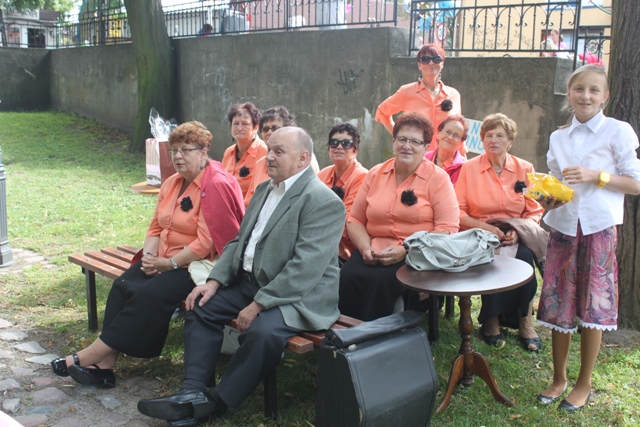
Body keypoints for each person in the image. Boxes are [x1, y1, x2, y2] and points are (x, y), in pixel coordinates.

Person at [137, 127, 345, 425]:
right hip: (251, 283)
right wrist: (213, 282)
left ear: (303, 159)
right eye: (269, 150)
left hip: (300, 296)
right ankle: (193, 391)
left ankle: (216, 403)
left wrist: (258, 305)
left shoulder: (322, 201)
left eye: (279, 152)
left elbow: (304, 268)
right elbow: (238, 242)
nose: (269, 157)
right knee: (201, 306)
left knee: (263, 333)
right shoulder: (264, 190)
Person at [51, 122, 244, 387]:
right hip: (163, 259)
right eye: (173, 150)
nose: (178, 156)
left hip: (196, 265)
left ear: (204, 151)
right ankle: (105, 366)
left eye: (186, 150)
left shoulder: (216, 183)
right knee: (122, 285)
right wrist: (150, 258)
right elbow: (155, 226)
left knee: (148, 295)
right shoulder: (172, 183)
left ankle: (89, 355)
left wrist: (169, 263)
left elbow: (206, 242)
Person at [536, 65, 640, 411]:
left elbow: (635, 183)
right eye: (579, 89)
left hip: (598, 228)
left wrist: (598, 176)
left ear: (605, 96)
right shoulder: (558, 137)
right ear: (569, 93)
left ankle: (584, 383)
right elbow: (556, 182)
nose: (586, 96)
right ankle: (559, 378)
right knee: (558, 302)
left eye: (594, 90)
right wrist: (547, 198)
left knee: (594, 305)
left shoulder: (617, 131)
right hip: (563, 227)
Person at [339, 112, 459, 321]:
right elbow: (355, 219)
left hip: (417, 253)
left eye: (415, 142)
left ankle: (378, 333)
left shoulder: (438, 179)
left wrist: (405, 250)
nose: (407, 146)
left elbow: (447, 229)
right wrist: (365, 248)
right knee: (348, 275)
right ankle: (345, 331)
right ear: (393, 142)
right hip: (374, 249)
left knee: (383, 281)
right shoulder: (375, 174)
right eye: (402, 139)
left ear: (426, 147)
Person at [455, 113, 545, 351]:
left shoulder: (525, 168)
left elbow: (534, 209)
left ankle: (525, 322)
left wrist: (518, 231)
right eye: (488, 135)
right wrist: (487, 228)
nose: (493, 140)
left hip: (516, 230)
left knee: (524, 257)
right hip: (480, 231)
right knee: (491, 256)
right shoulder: (469, 169)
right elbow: (459, 212)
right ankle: (491, 321)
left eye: (500, 135)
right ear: (482, 140)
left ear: (510, 141)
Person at [375, 43, 463, 153]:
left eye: (436, 59)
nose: (431, 63)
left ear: (442, 63)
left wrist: (462, 155)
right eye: (425, 59)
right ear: (419, 65)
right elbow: (382, 112)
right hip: (417, 157)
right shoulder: (406, 92)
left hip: (446, 158)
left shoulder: (454, 95)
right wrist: (401, 137)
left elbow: (458, 128)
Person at [244, 105, 321, 207]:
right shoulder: (259, 164)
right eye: (266, 129)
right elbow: (250, 203)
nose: (270, 132)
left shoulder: (303, 159)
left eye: (275, 128)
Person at [317, 122, 368, 261]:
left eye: (346, 143)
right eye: (334, 143)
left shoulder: (362, 177)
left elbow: (347, 221)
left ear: (355, 150)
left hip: (345, 251)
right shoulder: (322, 175)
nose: (339, 147)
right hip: (319, 239)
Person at [221, 103, 267, 197]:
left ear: (255, 128)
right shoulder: (228, 152)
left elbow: (261, 193)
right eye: (236, 123)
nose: (239, 128)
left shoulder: (264, 151)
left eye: (245, 124)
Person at [425, 114, 468, 185]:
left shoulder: (464, 168)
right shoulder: (423, 158)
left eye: (456, 136)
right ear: (438, 134)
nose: (450, 137)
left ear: (461, 143)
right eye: (448, 132)